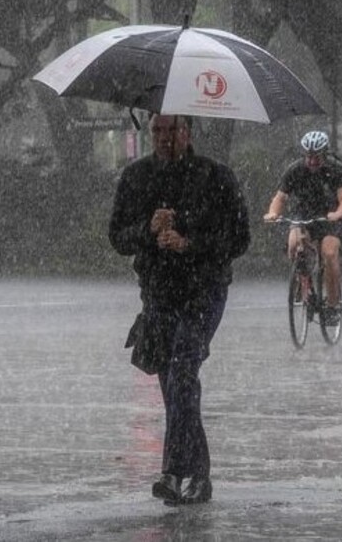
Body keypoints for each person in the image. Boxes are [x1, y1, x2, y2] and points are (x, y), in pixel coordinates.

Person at [109, 113, 251, 506]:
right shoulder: (137, 177)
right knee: (174, 384)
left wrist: (190, 243)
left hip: (203, 293)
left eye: (172, 130)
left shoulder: (215, 176)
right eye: (157, 130)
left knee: (183, 372)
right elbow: (118, 236)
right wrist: (148, 231)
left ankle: (172, 472)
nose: (164, 138)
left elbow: (239, 238)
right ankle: (198, 476)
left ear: (188, 131)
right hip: (157, 295)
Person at [262, 130, 342, 323]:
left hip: (331, 217)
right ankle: (302, 281)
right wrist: (273, 213)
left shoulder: (336, 169)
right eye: (309, 157)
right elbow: (280, 198)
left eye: (317, 157)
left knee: (329, 252)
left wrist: (337, 213)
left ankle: (332, 305)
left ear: (325, 154)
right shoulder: (295, 170)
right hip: (304, 214)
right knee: (294, 243)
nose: (312, 161)